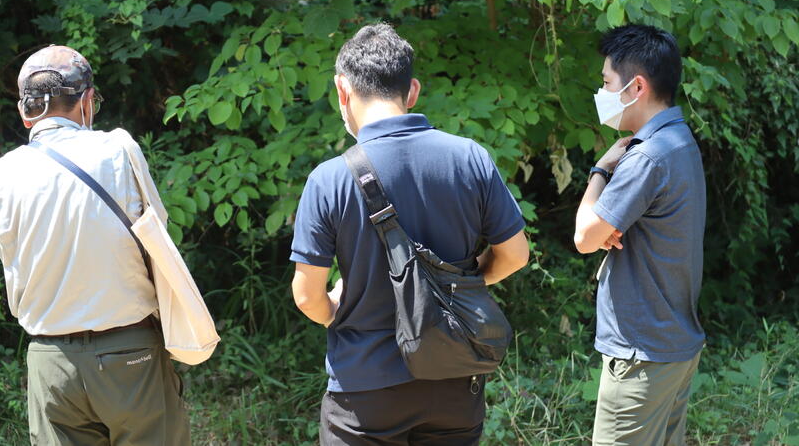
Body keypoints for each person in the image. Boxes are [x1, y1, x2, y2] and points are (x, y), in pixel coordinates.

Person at [290, 23, 529, 445]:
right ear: (412, 90)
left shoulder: (328, 179)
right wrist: (455, 289)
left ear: (342, 90)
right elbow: (514, 255)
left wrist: (334, 308)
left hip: (364, 390)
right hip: (454, 379)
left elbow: (307, 296)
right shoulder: (469, 158)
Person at [0, 45, 190, 445]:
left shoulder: (5, 172)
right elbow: (157, 235)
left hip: (50, 361)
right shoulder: (118, 149)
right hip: (130, 353)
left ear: (25, 112)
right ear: (87, 101)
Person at [573, 24, 706, 446]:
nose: (603, 92)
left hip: (641, 355)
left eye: (607, 82)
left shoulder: (646, 157)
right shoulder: (679, 140)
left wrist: (600, 171)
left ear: (637, 87)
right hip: (671, 346)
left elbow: (585, 238)